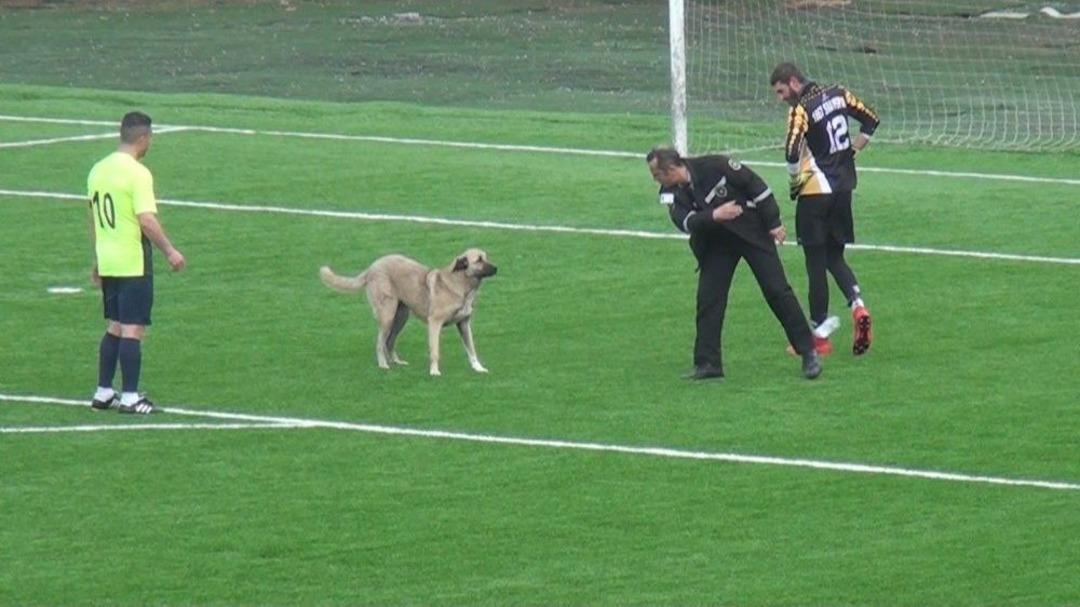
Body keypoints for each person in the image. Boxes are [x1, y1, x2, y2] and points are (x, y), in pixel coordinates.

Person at [646, 147, 822, 381]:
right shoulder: (669, 193)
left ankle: (808, 352)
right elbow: (685, 222)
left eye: (657, 175)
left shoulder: (715, 165)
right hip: (716, 243)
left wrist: (773, 222)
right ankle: (708, 363)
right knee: (709, 299)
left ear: (670, 169)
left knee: (777, 291)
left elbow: (757, 186)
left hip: (751, 231)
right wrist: (714, 215)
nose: (655, 180)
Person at [770, 62, 878, 356]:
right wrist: (854, 150)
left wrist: (795, 180)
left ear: (794, 82)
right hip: (844, 189)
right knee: (835, 256)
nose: (781, 98)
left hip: (816, 191)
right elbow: (871, 120)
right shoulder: (839, 93)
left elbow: (792, 151)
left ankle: (819, 338)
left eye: (781, 91)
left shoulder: (801, 108)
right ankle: (858, 306)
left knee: (815, 263)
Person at [87, 111, 186, 414]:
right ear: (143, 138)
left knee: (115, 326)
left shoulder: (98, 170)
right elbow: (146, 220)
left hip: (109, 259)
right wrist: (170, 251)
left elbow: (94, 218)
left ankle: (104, 391)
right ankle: (130, 397)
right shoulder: (138, 173)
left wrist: (98, 259)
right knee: (133, 329)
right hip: (132, 260)